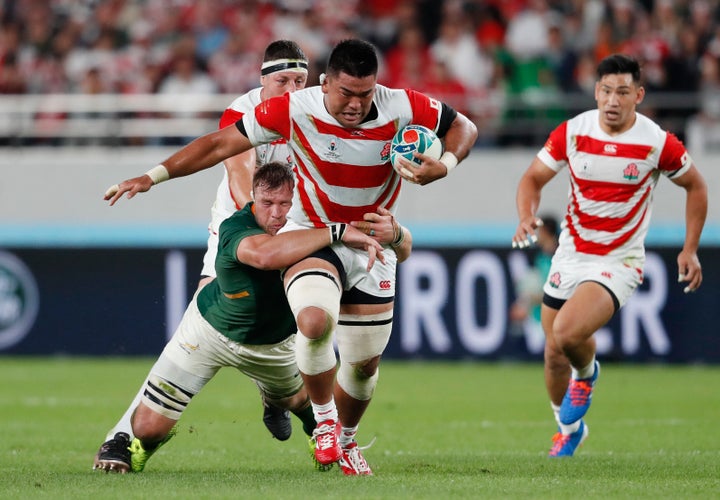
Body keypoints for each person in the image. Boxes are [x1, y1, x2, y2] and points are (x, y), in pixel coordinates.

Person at [104, 38, 479, 475]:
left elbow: (463, 127)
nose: (357, 105)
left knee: (362, 366)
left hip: (360, 243)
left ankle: (334, 431)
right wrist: (154, 176)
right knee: (308, 320)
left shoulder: (401, 106)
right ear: (323, 85)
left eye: (365, 94)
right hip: (286, 235)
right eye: (346, 94)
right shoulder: (282, 110)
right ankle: (315, 423)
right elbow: (227, 159)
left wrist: (445, 165)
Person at [93, 161, 409, 474]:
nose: (275, 213)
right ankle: (129, 443)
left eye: (285, 203)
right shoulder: (236, 226)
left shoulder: (313, 227)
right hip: (207, 334)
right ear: (253, 200)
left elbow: (402, 247)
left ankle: (287, 408)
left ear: (296, 202)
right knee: (149, 428)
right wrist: (338, 232)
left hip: (275, 346)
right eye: (267, 203)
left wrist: (396, 234)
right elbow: (266, 255)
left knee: (306, 399)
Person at [98, 40, 312, 450]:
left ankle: (282, 397)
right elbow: (238, 173)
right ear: (263, 79)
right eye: (282, 80)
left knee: (304, 317)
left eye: (299, 81)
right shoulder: (243, 112)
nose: (291, 90)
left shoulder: (314, 111)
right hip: (242, 226)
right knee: (201, 318)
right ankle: (124, 436)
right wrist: (263, 228)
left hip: (297, 223)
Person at [512, 53, 708, 458]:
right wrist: (527, 215)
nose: (612, 100)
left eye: (622, 91)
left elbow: (697, 187)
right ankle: (567, 428)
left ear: (638, 95)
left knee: (566, 333)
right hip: (570, 253)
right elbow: (532, 177)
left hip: (619, 261)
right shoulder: (573, 131)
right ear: (596, 92)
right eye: (605, 90)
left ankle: (586, 373)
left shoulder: (656, 142)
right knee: (551, 352)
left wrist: (690, 249)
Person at [509, 215, 559, 355]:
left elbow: (558, 292)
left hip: (557, 318)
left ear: (547, 232)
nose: (537, 235)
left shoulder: (560, 259)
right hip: (538, 318)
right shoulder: (540, 258)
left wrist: (529, 300)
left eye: (540, 231)